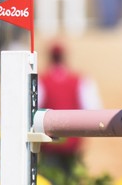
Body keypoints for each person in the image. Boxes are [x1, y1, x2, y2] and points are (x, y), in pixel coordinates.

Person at [38, 41, 103, 177]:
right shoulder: (79, 80)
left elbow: (35, 107)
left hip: (49, 143)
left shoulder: (42, 80)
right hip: (73, 142)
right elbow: (94, 109)